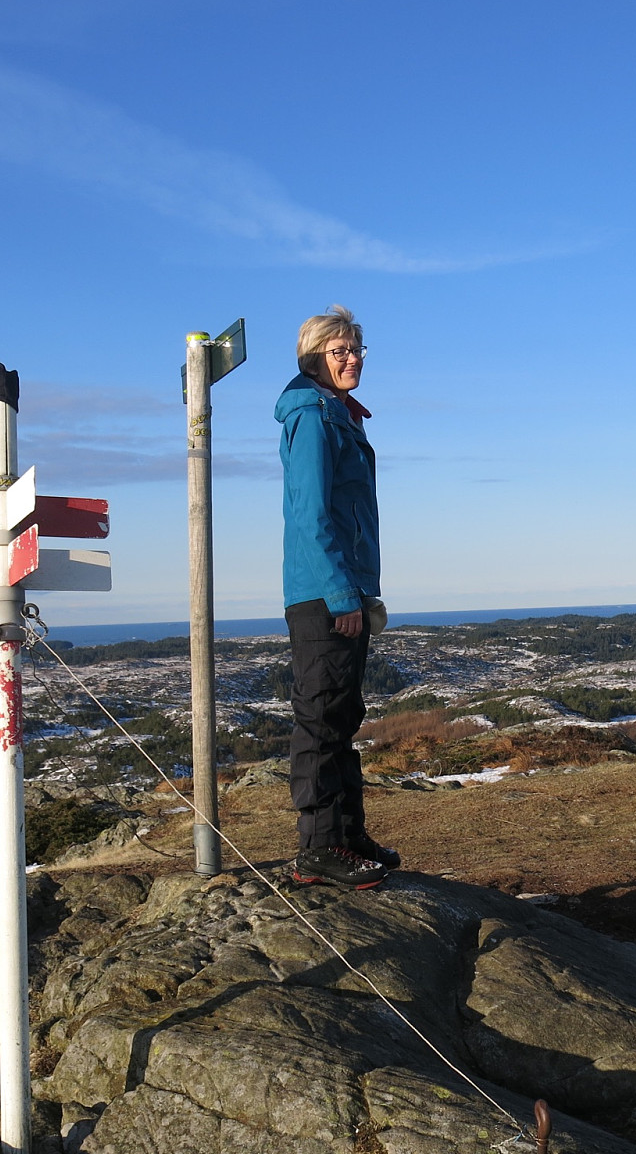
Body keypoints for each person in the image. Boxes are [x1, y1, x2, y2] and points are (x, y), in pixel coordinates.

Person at [275, 305, 400, 888]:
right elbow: (311, 513)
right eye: (340, 350)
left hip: (346, 588)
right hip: (326, 594)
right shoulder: (311, 415)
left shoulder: (338, 414)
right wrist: (340, 593)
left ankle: (347, 834)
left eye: (358, 349)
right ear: (313, 357)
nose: (352, 359)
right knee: (321, 719)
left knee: (343, 716)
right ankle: (319, 849)